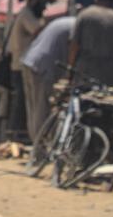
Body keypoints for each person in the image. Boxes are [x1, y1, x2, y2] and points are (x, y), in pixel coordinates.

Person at [21, 15, 75, 143]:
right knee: (42, 109)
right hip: (43, 66)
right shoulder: (77, 27)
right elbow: (73, 49)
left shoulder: (67, 22)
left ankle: (36, 144)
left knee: (34, 108)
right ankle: (39, 148)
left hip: (31, 60)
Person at [8, 0, 51, 140]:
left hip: (20, 64)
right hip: (21, 65)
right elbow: (38, 30)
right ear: (35, 2)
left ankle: (18, 133)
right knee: (22, 102)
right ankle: (17, 134)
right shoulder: (27, 14)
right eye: (43, 4)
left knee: (22, 101)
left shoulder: (26, 14)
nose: (45, 8)